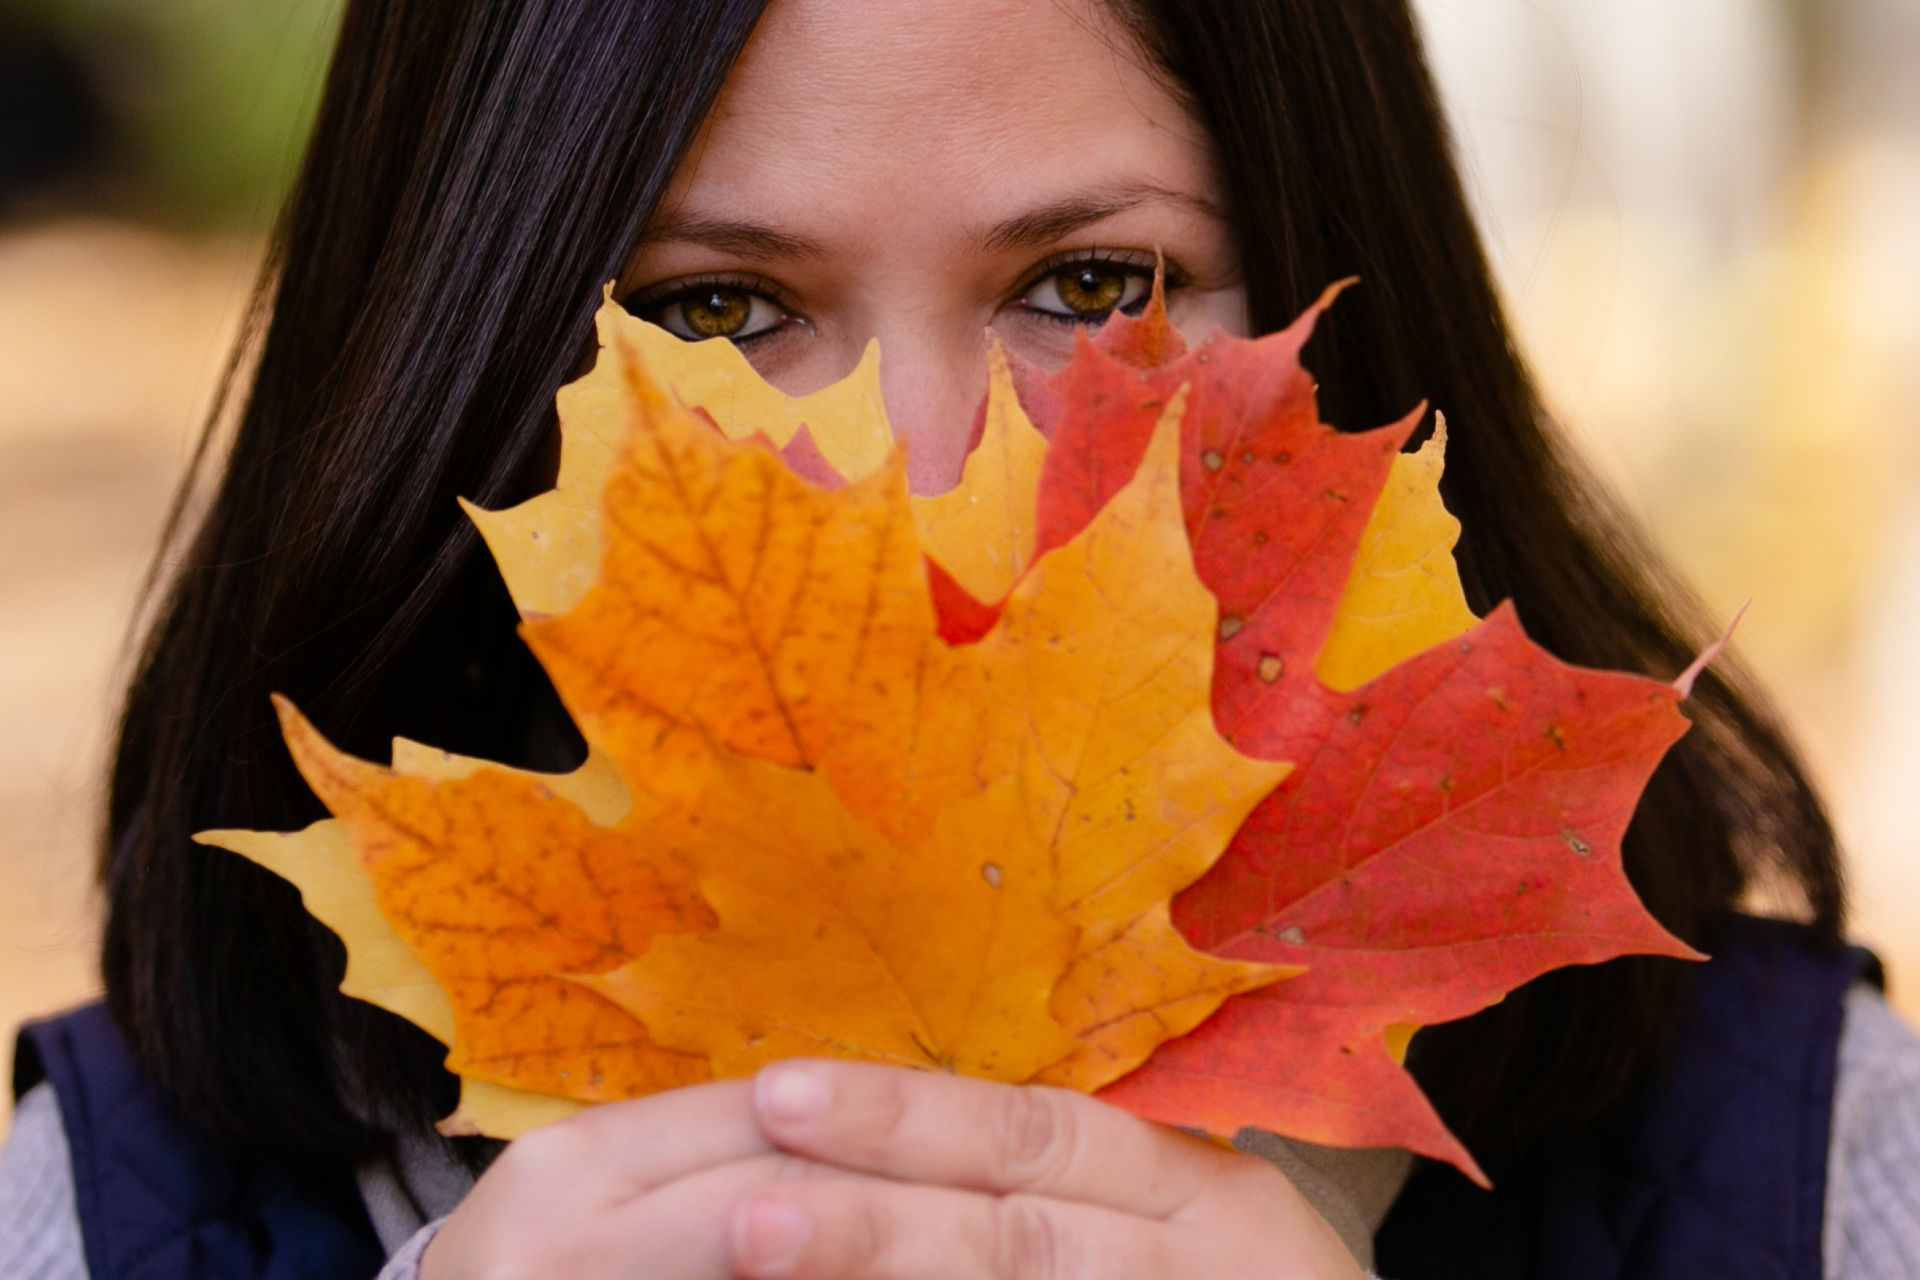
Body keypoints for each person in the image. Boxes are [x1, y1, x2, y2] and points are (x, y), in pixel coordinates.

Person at [3, 1, 1917, 1277]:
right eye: (715, 311)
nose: (920, 486)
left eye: (1095, 287)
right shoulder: (99, 1212)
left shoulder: (1801, 1163)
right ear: (450, 369)